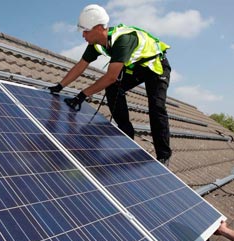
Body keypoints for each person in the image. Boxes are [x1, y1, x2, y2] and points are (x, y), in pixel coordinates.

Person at [48, 4, 172, 164]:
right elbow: (81, 65)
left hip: (156, 67)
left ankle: (164, 155)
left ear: (99, 28)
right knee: (113, 89)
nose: (83, 35)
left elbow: (111, 76)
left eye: (86, 31)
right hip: (136, 68)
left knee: (156, 106)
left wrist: (81, 95)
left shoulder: (123, 40)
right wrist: (60, 86)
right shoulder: (96, 44)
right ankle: (126, 133)